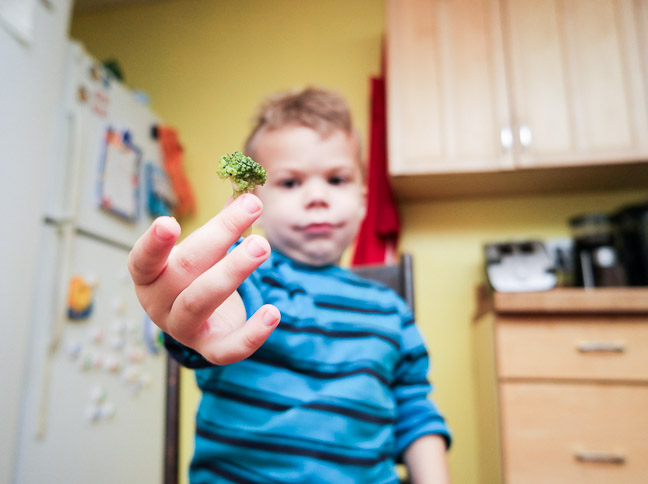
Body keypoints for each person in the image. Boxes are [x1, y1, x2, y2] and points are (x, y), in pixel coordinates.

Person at [128, 86, 451, 483]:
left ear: (363, 200)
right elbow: (208, 320)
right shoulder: (246, 276)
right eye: (291, 183)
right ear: (255, 199)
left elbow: (415, 411)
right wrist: (193, 315)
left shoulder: (391, 309)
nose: (316, 196)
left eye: (336, 179)